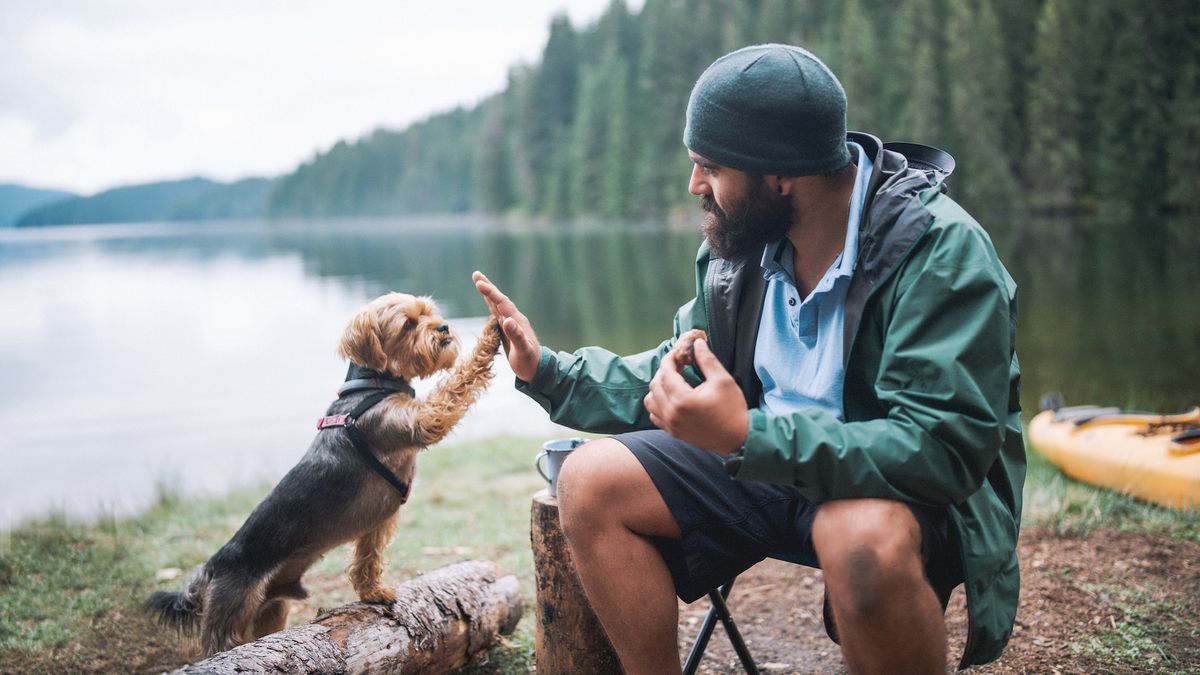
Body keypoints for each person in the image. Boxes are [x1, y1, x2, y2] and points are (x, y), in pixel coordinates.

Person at [474, 43, 1023, 674]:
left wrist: (747, 434)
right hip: (763, 463)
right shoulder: (744, 244)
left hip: (900, 491)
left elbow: (941, 450)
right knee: (590, 481)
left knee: (858, 539)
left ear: (781, 174)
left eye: (710, 166)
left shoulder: (940, 252)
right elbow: (677, 371)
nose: (694, 186)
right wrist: (546, 370)